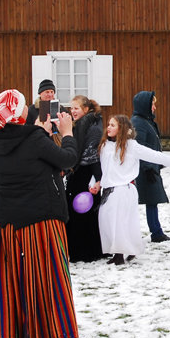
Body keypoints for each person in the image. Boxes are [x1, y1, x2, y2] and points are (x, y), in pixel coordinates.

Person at [0, 89, 80, 338]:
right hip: (39, 218)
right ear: (18, 114)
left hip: (7, 220)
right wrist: (68, 133)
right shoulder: (33, 139)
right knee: (43, 276)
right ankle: (46, 331)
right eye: (24, 105)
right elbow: (68, 159)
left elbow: (30, 155)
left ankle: (15, 329)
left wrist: (41, 133)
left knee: (14, 277)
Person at [93, 115, 170, 264]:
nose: (108, 127)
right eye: (108, 124)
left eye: (113, 125)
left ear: (121, 129)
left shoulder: (131, 146)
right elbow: (102, 169)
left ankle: (120, 255)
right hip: (109, 190)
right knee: (107, 221)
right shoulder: (104, 146)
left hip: (124, 189)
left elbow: (152, 155)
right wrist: (96, 183)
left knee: (120, 222)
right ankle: (121, 250)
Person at [65, 96, 105, 261]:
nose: (73, 111)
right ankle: (76, 250)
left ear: (86, 109)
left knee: (83, 213)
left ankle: (87, 252)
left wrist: (96, 179)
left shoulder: (92, 127)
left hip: (86, 173)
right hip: (78, 172)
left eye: (76, 108)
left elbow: (92, 155)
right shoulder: (81, 124)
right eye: (71, 108)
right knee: (75, 213)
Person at [131, 91, 170, 243]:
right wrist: (148, 167)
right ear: (145, 106)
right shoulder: (138, 123)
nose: (155, 107)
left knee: (152, 200)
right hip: (144, 170)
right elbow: (139, 147)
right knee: (149, 200)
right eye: (152, 104)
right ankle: (155, 232)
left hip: (150, 168)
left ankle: (156, 231)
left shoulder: (145, 121)